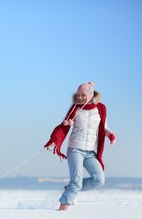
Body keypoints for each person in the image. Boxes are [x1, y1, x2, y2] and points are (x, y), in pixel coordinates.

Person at [44, 82, 116, 211]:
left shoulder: (101, 108)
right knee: (76, 182)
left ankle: (71, 189)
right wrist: (67, 123)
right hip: (75, 149)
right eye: (78, 95)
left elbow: (104, 127)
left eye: (83, 95)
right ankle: (62, 211)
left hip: (91, 152)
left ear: (90, 94)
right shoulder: (75, 108)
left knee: (99, 180)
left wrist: (110, 135)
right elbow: (64, 125)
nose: (80, 97)